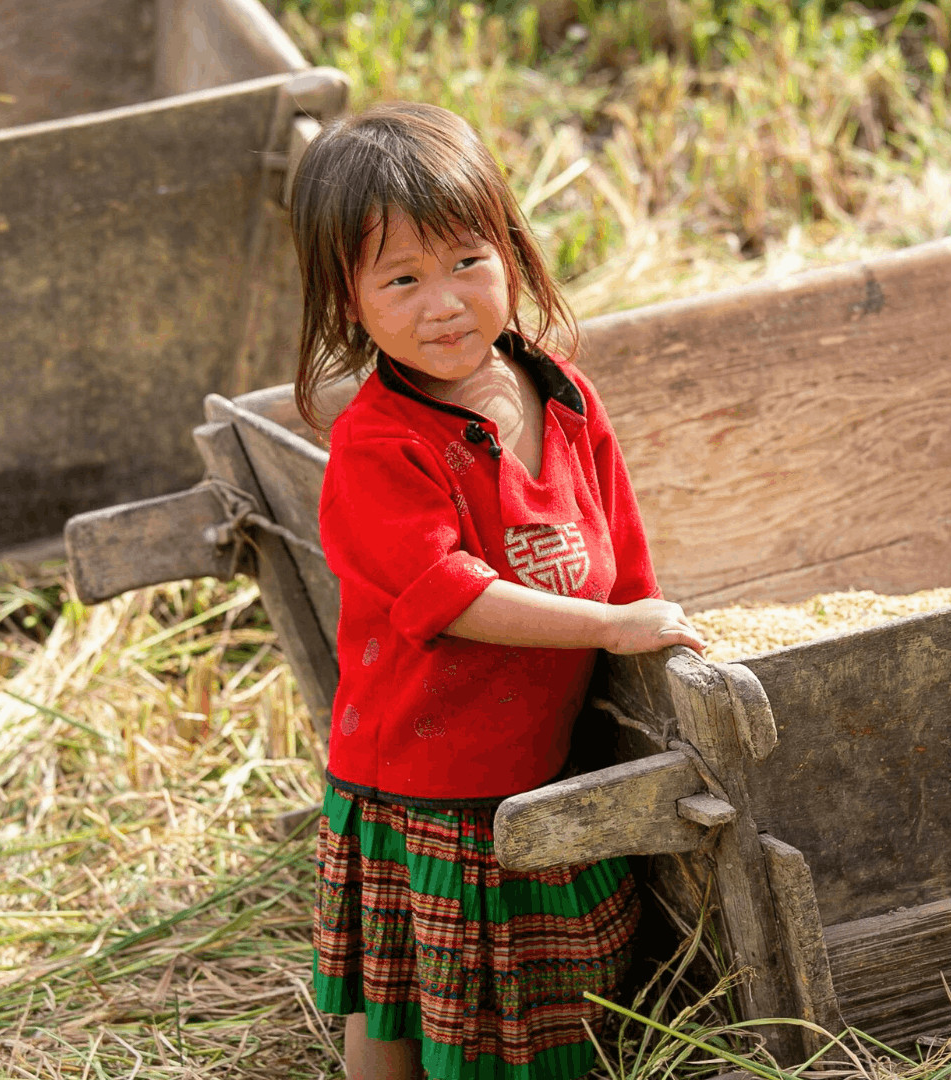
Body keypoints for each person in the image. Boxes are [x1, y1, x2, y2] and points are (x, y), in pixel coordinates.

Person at [287, 100, 706, 1080]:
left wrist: (651, 634)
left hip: (534, 758)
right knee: (400, 989)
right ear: (349, 301)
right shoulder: (380, 446)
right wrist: (607, 624)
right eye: (403, 278)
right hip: (426, 776)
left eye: (469, 262)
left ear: (511, 254)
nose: (446, 302)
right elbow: (452, 593)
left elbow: (618, 531)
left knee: (530, 990)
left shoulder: (554, 390)